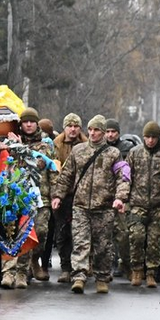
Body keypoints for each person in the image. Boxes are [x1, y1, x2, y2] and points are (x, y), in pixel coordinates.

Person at [52, 115, 129, 294]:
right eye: (91, 130)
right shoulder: (78, 151)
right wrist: (58, 196)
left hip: (104, 207)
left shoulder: (113, 154)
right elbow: (66, 175)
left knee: (103, 245)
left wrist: (120, 198)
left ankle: (102, 277)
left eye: (97, 130)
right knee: (80, 242)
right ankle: (79, 276)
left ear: (103, 133)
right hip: (80, 206)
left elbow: (122, 178)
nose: (93, 133)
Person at [1, 107, 55, 288]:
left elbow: (39, 163)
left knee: (39, 233)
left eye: (32, 121)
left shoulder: (45, 145)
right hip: (16, 196)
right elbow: (7, 164)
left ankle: (29, 265)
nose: (29, 124)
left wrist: (56, 195)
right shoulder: (11, 142)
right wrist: (13, 146)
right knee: (13, 234)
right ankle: (11, 273)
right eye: (25, 122)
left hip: (40, 197)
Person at [125, 121, 160, 288]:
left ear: (159, 138)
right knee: (136, 237)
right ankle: (137, 269)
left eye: (153, 137)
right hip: (138, 203)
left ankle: (151, 272)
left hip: (159, 204)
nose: (150, 141)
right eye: (147, 137)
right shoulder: (135, 153)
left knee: (154, 240)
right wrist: (123, 199)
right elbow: (126, 177)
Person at [52, 113, 88, 283]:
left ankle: (80, 267)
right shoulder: (56, 145)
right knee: (62, 232)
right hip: (61, 194)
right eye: (70, 126)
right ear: (64, 127)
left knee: (81, 233)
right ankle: (66, 267)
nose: (73, 129)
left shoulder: (87, 145)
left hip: (81, 194)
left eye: (76, 126)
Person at [105, 118, 134, 279]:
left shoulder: (127, 149)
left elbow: (128, 173)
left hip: (122, 195)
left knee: (122, 234)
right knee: (105, 235)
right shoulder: (100, 148)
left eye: (113, 132)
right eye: (108, 131)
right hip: (103, 195)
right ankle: (111, 263)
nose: (110, 135)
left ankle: (126, 263)